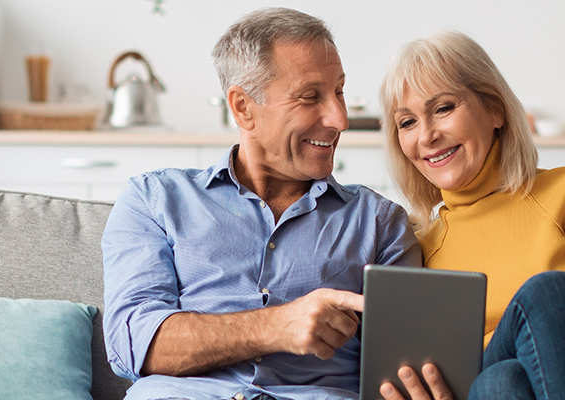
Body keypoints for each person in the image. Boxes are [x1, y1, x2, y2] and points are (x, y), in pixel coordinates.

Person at [101, 7, 422, 400]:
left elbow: (403, 371)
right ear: (243, 108)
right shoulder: (155, 201)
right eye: (310, 97)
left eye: (339, 91)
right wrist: (277, 326)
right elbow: (132, 345)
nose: (340, 119)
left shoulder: (379, 223)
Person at [373, 31, 565, 400]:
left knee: (549, 293)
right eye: (407, 122)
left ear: (496, 109)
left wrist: (544, 349)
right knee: (501, 383)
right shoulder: (416, 250)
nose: (426, 135)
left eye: (442, 108)